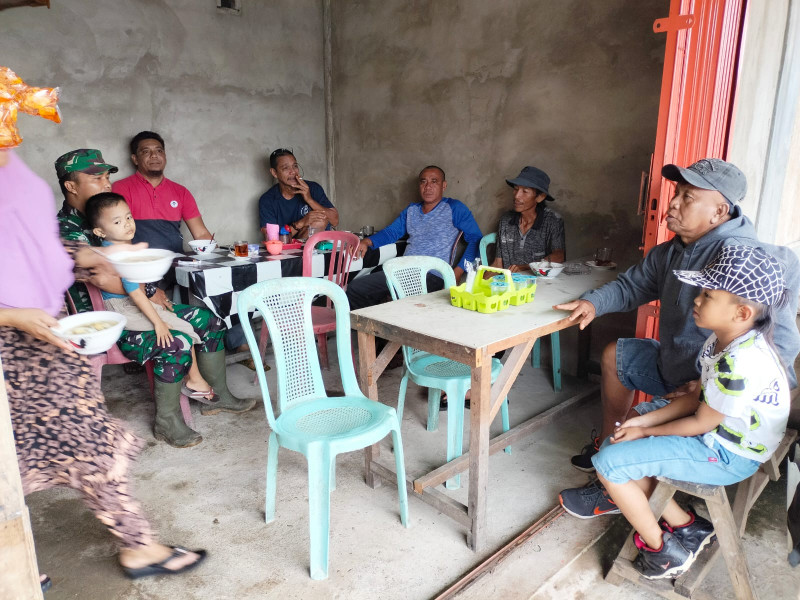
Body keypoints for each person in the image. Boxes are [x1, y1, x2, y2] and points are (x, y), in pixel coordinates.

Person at [0, 149, 205, 581]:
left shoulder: (13, 168)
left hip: (47, 332)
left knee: (82, 442)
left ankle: (135, 546)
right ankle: (14, 563)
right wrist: (12, 317)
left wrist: (89, 256)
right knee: (44, 450)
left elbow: (29, 248)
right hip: (14, 341)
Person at [555, 158, 800, 486]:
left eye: (688, 197)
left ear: (719, 211)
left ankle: (614, 483)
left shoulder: (743, 260)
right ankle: (607, 444)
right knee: (616, 356)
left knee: (640, 425)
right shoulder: (671, 251)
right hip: (677, 365)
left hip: (717, 389)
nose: (672, 203)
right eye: (677, 192)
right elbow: (632, 286)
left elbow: (779, 341)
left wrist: (708, 388)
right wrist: (593, 303)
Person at [561, 245, 790, 579]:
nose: (696, 300)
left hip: (728, 454)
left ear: (741, 313)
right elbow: (696, 396)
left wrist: (644, 431)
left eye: (708, 295)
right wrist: (641, 422)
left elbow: (700, 422)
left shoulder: (740, 361)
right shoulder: (723, 340)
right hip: (713, 434)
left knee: (608, 465)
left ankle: (663, 551)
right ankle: (685, 524)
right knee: (621, 438)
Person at [85, 192, 256, 448]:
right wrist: (159, 320)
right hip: (123, 315)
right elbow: (134, 292)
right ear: (100, 231)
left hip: (139, 304)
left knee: (210, 320)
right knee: (177, 340)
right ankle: (167, 422)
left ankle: (216, 396)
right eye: (118, 222)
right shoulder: (115, 254)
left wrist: (156, 300)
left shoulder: (128, 249)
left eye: (129, 217)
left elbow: (139, 288)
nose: (128, 224)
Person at [348, 165, 483, 310]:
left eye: (434, 181)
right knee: (356, 288)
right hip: (402, 271)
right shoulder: (411, 210)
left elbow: (476, 239)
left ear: (444, 185)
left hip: (432, 275)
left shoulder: (454, 208)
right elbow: (391, 232)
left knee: (395, 303)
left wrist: (457, 272)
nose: (428, 187)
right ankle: (372, 324)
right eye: (423, 182)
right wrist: (367, 241)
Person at [111, 131, 213, 254]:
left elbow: (201, 234)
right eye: (146, 151)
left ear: (165, 156)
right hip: (138, 261)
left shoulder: (181, 192)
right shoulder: (121, 188)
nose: (154, 155)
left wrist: (219, 257)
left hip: (176, 261)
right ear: (135, 159)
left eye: (159, 151)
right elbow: (118, 235)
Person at [490, 166, 565, 272]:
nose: (517, 196)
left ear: (540, 197)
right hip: (510, 281)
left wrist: (526, 267)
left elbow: (559, 256)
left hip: (539, 281)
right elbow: (498, 264)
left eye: (525, 191)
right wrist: (479, 280)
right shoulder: (506, 221)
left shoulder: (552, 221)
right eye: (516, 189)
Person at [258, 148, 338, 240]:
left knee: (319, 221)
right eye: (286, 168)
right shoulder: (267, 200)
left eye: (295, 166)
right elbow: (272, 240)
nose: (293, 171)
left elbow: (335, 221)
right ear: (274, 173)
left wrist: (309, 199)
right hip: (287, 248)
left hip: (318, 247)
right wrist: (301, 223)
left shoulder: (313, 188)